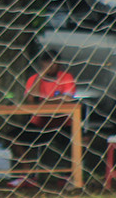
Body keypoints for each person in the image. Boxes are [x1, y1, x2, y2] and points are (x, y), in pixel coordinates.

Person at [9, 51, 77, 186]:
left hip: (62, 123)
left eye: (54, 63)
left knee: (77, 139)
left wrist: (45, 101)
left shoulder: (66, 77)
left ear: (59, 64)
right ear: (42, 64)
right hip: (40, 124)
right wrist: (41, 76)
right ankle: (27, 175)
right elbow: (31, 100)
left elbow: (68, 99)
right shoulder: (34, 79)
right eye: (47, 64)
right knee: (13, 137)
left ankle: (69, 176)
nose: (51, 67)